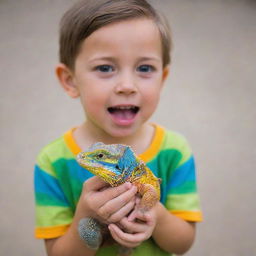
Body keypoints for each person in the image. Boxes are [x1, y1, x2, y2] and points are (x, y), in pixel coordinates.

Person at [34, 0, 203, 255]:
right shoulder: (52, 161)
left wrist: (150, 207)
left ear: (163, 79)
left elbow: (183, 244)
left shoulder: (175, 151)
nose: (127, 85)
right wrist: (86, 214)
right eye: (105, 68)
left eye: (144, 68)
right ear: (70, 81)